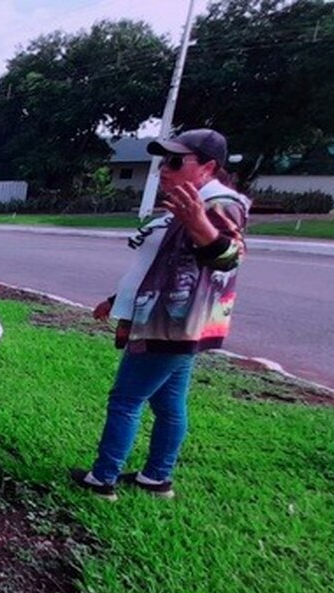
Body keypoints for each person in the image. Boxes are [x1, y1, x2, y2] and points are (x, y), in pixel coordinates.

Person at [70, 128, 249, 501]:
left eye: (174, 162)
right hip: (171, 320)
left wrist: (198, 221)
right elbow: (161, 264)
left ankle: (102, 480)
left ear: (208, 166)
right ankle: (156, 478)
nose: (163, 170)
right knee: (168, 403)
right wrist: (116, 298)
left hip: (171, 324)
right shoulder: (189, 201)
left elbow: (230, 258)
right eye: (162, 162)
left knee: (125, 400)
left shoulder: (218, 203)